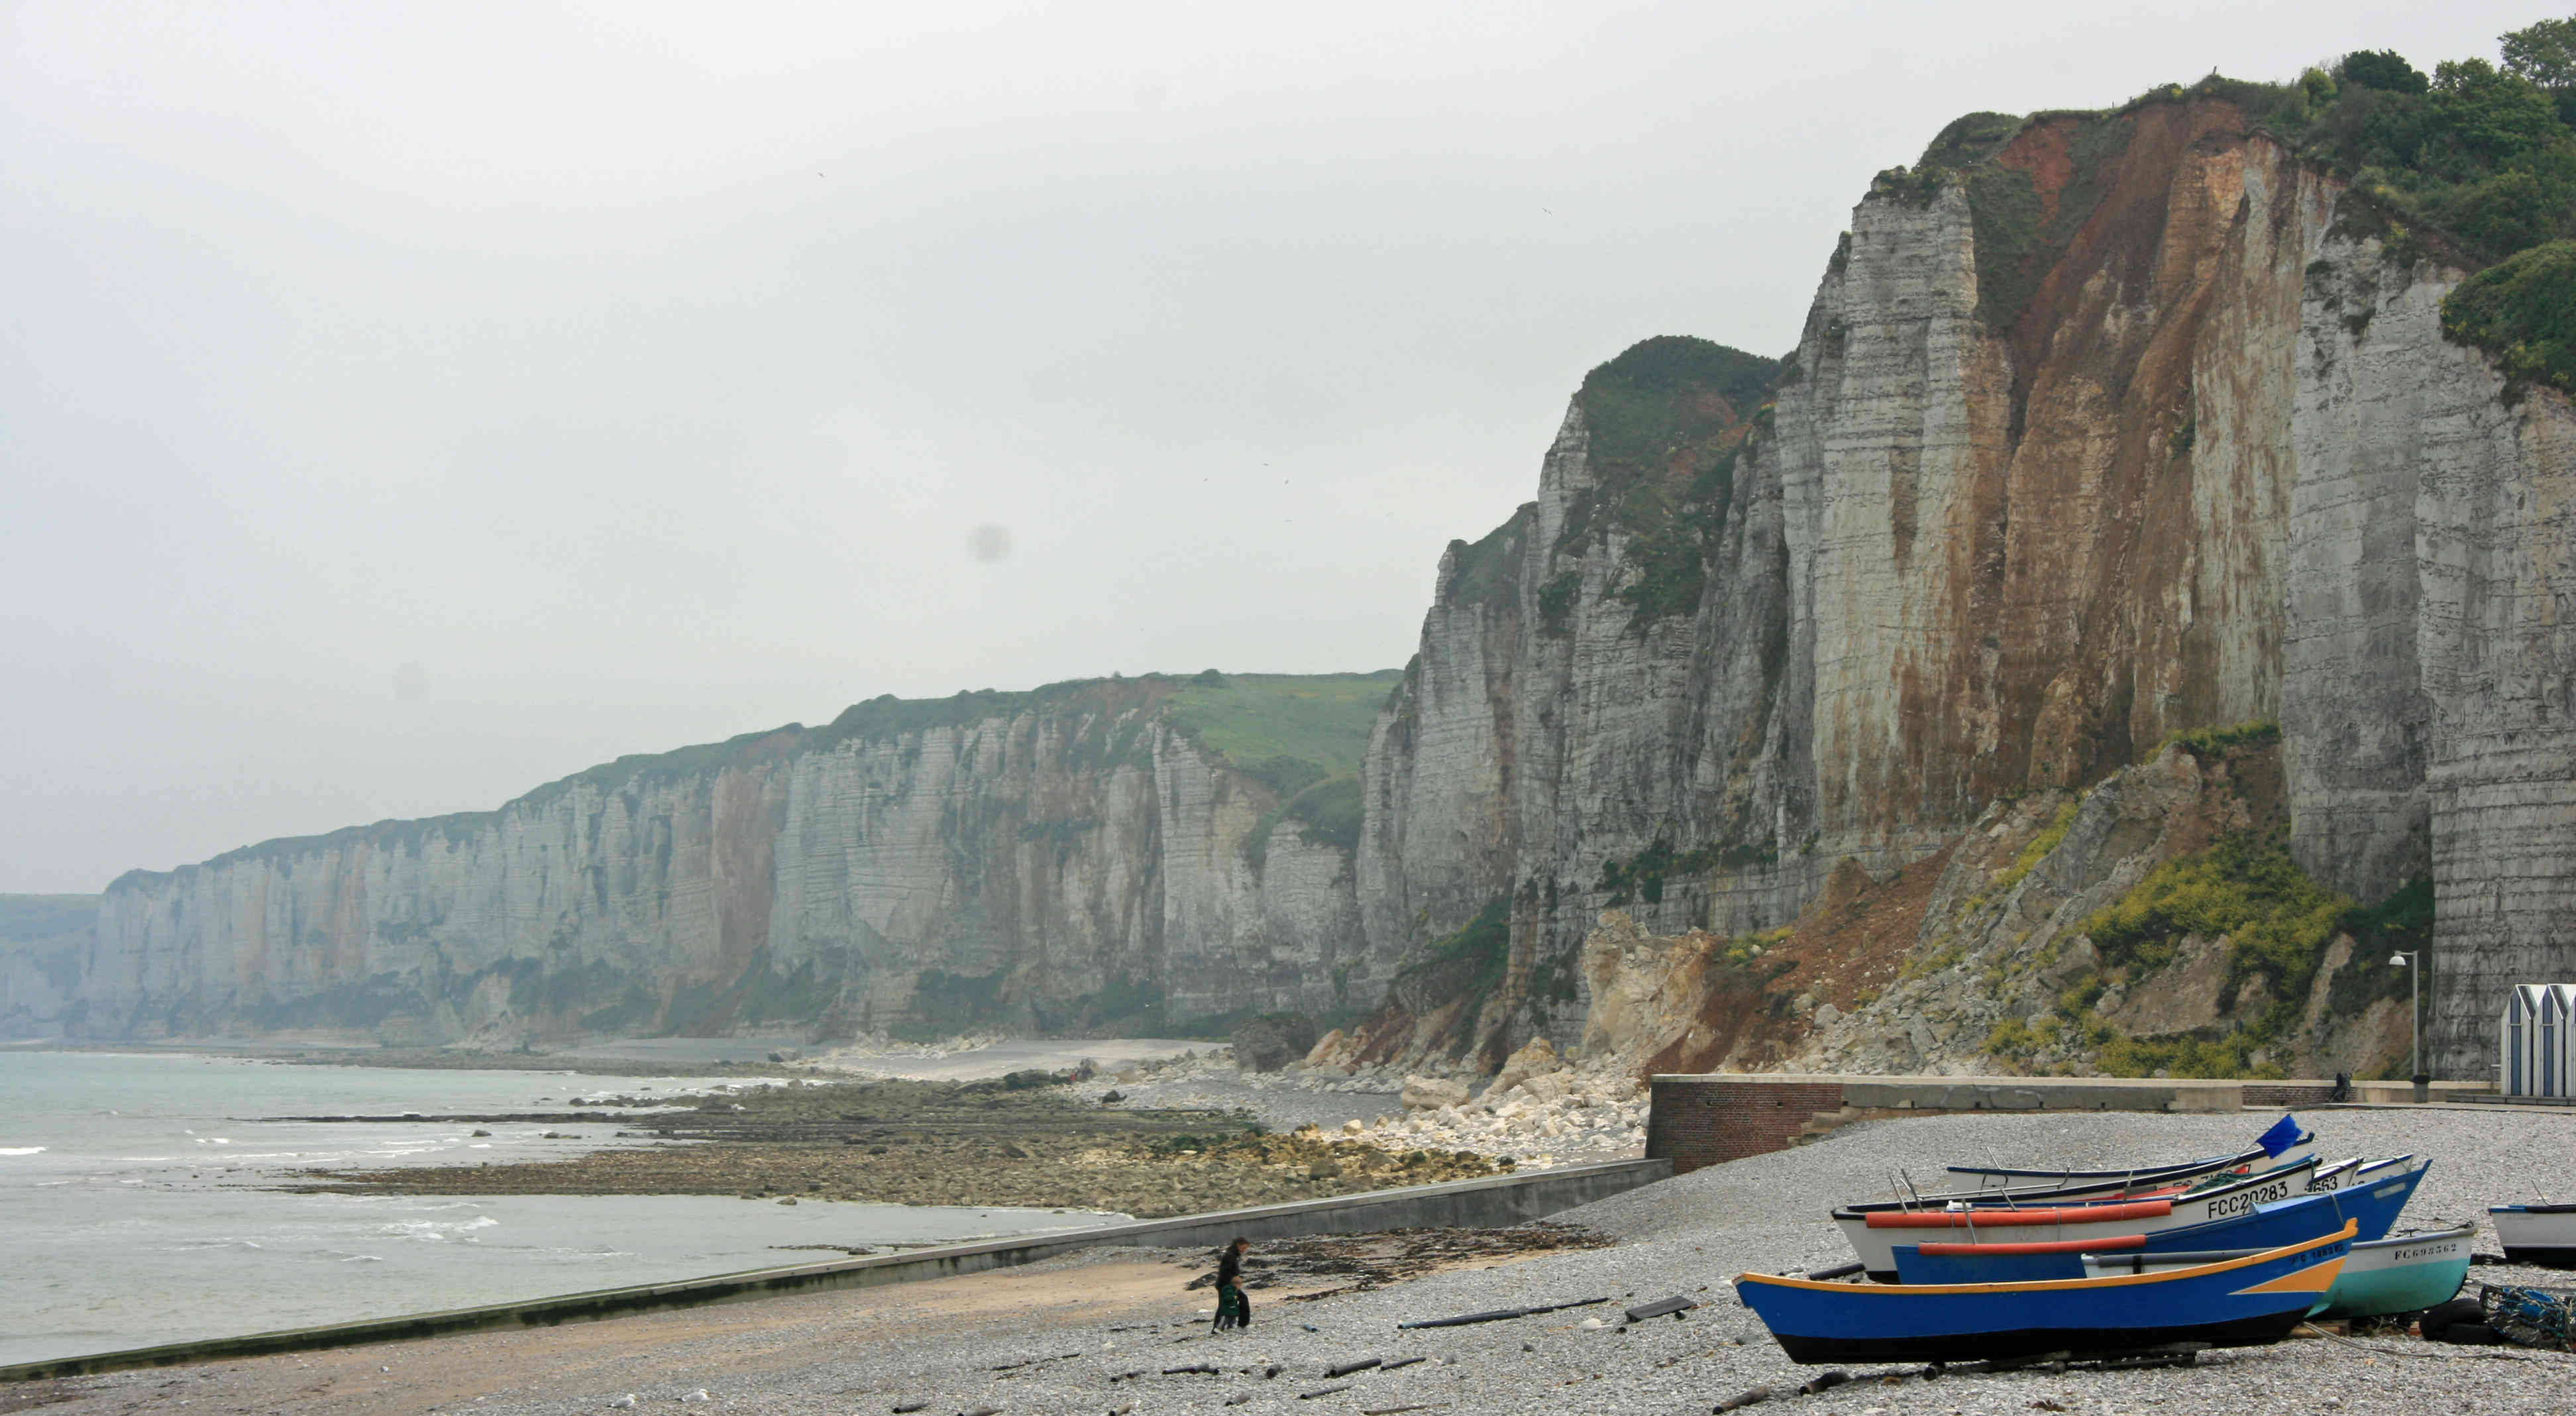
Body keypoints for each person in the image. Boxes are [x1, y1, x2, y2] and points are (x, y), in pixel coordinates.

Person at [1210, 1236, 1251, 1331]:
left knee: (1230, 1303)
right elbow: (1225, 1272)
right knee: (1224, 1305)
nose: (1244, 1251)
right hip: (1226, 1286)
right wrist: (1234, 1284)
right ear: (1238, 1245)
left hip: (1229, 1285)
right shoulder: (1229, 1256)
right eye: (1243, 1248)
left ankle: (1240, 1324)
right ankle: (1218, 1328)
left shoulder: (1232, 1255)